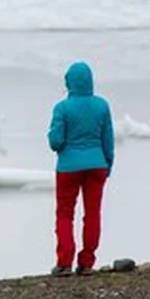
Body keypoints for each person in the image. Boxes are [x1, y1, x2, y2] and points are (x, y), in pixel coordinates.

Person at [47, 61, 115, 277]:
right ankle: (87, 263)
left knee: (65, 213)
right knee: (93, 213)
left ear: (69, 82)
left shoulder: (62, 108)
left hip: (68, 167)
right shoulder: (102, 106)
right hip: (97, 165)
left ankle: (64, 262)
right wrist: (108, 164)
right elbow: (108, 139)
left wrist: (54, 138)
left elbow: (56, 141)